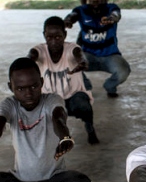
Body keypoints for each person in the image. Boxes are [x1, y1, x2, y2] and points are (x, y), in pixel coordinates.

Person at [29, 16, 99, 145]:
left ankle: (90, 128)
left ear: (65, 35)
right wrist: (27, 65)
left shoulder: (72, 48)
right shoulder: (38, 50)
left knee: (84, 106)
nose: (54, 42)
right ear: (44, 35)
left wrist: (83, 62)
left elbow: (79, 55)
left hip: (73, 95)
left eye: (58, 37)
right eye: (49, 37)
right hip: (50, 97)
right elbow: (30, 57)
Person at [64, 0, 130, 97]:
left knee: (124, 71)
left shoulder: (111, 8)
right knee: (69, 62)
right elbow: (72, 15)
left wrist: (112, 18)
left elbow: (116, 14)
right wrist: (68, 20)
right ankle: (86, 87)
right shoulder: (81, 10)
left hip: (110, 56)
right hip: (88, 56)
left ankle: (110, 86)